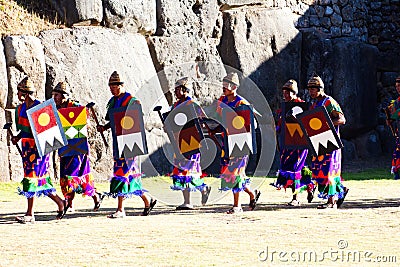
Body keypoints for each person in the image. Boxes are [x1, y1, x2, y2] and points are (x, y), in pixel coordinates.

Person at [97, 71, 156, 218]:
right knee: (129, 176)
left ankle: (120, 209)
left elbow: (134, 122)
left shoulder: (132, 101)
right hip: (118, 142)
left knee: (122, 173)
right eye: (110, 86)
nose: (111, 89)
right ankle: (148, 200)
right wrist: (104, 127)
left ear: (121, 85)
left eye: (114, 86)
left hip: (130, 142)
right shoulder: (113, 101)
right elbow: (115, 120)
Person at [12, 77, 65, 223]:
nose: (17, 95)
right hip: (27, 148)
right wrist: (17, 137)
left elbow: (47, 131)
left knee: (31, 178)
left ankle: (30, 214)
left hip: (40, 150)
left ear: (25, 93)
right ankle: (61, 202)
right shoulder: (21, 109)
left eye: (19, 92)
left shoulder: (40, 107)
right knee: (39, 181)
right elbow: (25, 130)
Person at [51, 81, 104, 213]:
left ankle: (95, 196)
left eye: (56, 95)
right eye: (54, 95)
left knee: (75, 177)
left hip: (78, 148)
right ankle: (71, 203)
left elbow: (84, 121)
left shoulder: (75, 106)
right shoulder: (55, 109)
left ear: (64, 95)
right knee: (65, 177)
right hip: (64, 148)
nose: (54, 98)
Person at [216, 72, 260, 214]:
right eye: (223, 84)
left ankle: (237, 206)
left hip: (240, 144)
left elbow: (252, 125)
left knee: (235, 173)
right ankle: (252, 193)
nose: (224, 87)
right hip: (226, 142)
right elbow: (217, 119)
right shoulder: (221, 101)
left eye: (227, 84)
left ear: (234, 87)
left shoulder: (242, 103)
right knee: (229, 174)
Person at [169, 77, 211, 210]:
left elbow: (203, 120)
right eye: (174, 89)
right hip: (178, 143)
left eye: (177, 89)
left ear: (183, 89)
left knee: (189, 172)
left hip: (192, 142)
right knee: (181, 171)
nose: (175, 92)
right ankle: (187, 201)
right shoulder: (175, 106)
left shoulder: (192, 104)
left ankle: (203, 188)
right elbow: (171, 121)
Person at [306, 75, 348, 209]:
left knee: (330, 171)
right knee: (320, 171)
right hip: (319, 142)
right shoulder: (314, 105)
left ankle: (331, 202)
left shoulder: (329, 102)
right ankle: (342, 190)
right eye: (309, 88)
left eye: (313, 88)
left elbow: (342, 119)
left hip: (331, 143)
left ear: (320, 88)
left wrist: (327, 125)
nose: (311, 91)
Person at [273, 79, 315, 206]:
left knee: (295, 169)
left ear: (294, 93)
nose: (285, 95)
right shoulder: (284, 108)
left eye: (287, 92)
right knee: (290, 168)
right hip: (287, 143)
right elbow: (281, 126)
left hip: (300, 144)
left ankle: (295, 198)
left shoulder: (302, 106)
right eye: (284, 92)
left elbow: (309, 123)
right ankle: (309, 185)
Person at [387, 76, 400, 179]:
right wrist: (390, 119)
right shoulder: (396, 102)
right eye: (396, 86)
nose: (398, 88)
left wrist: (395, 114)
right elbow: (394, 117)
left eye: (399, 86)